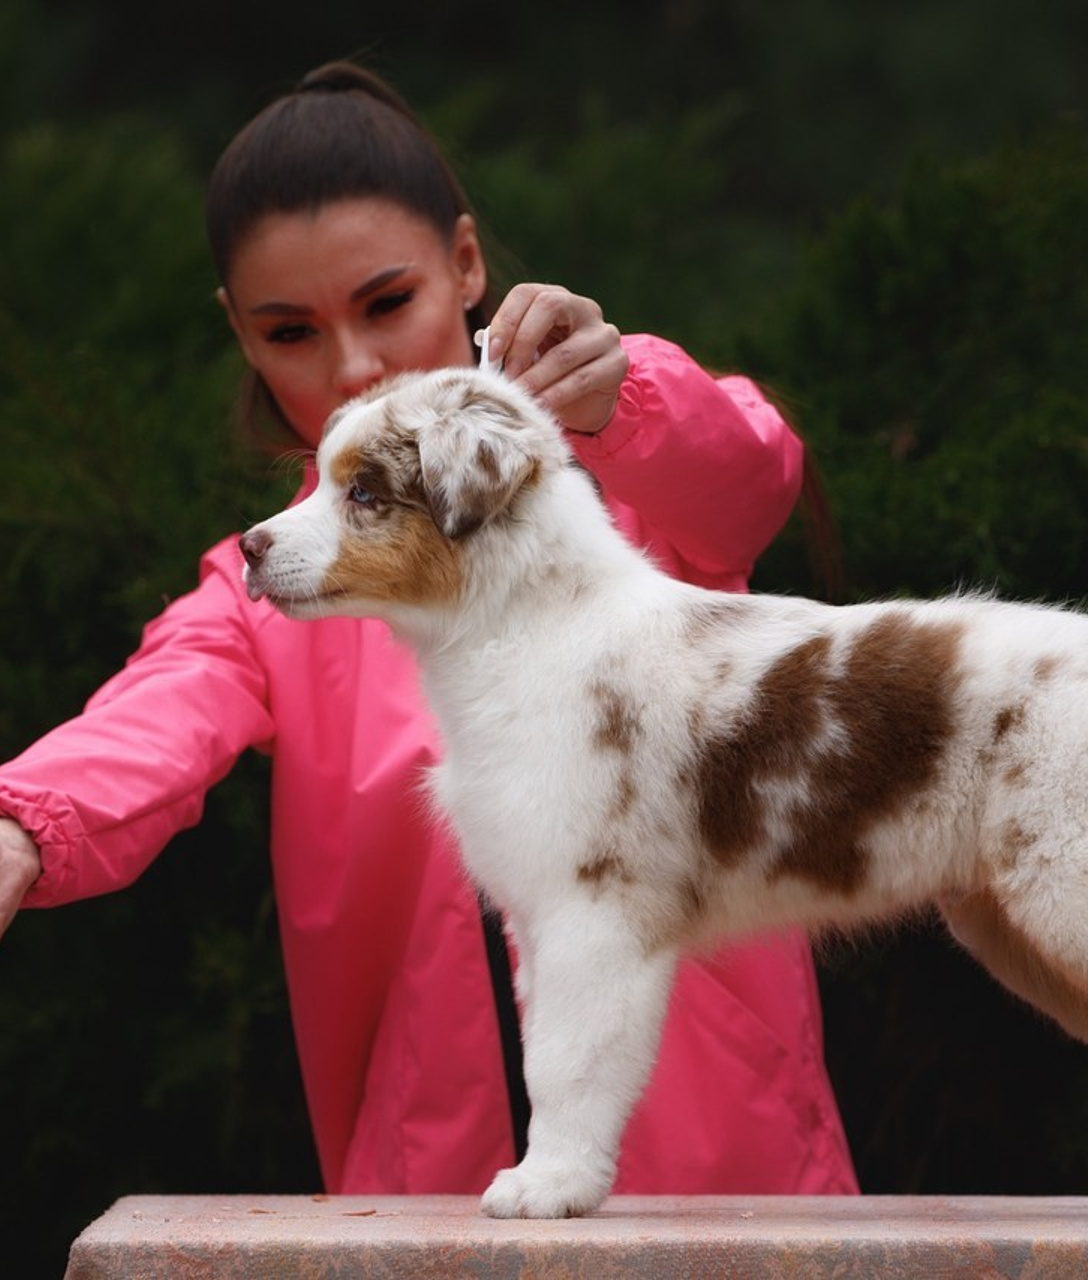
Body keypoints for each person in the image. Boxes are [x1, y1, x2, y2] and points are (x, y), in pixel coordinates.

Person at [0, 62, 856, 1198]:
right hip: (424, 1204)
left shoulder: (611, 491)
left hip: (730, 1182)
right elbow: (152, 716)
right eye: (290, 330)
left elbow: (753, 476)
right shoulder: (269, 589)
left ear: (465, 263)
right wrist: (19, 824)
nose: (353, 364)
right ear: (238, 334)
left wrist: (624, 400)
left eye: (386, 301)